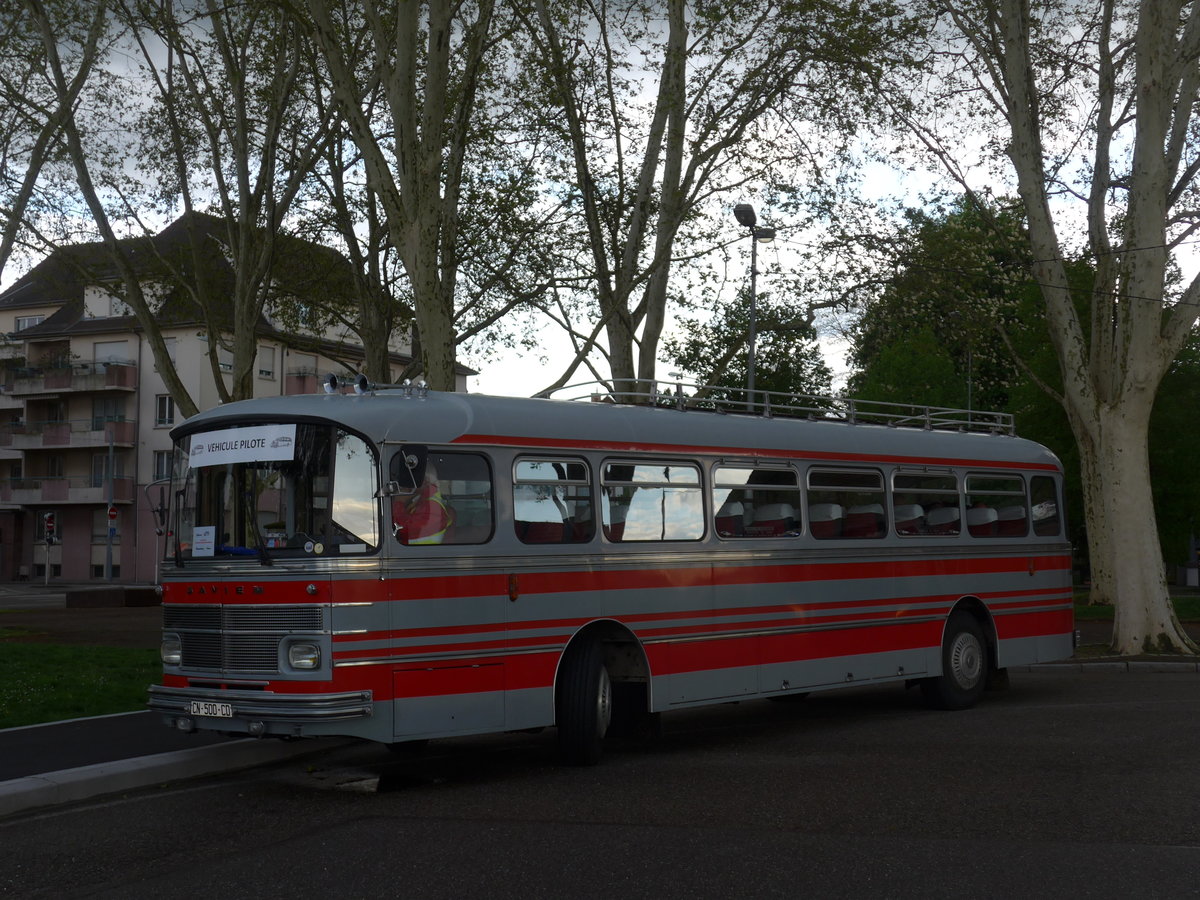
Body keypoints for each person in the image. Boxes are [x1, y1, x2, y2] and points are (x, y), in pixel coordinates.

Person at [392, 462, 453, 545]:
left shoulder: (432, 507)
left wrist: (399, 502)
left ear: (425, 481)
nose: (405, 484)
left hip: (422, 555)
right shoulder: (419, 502)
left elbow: (402, 528)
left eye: (409, 479)